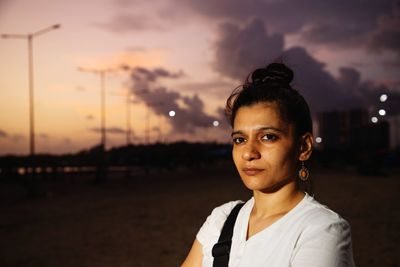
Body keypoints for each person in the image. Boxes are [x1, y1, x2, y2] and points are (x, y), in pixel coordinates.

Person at [181, 62, 356, 267]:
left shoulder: (321, 230)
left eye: (268, 137)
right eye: (240, 139)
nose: (249, 153)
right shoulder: (221, 219)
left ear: (303, 147)